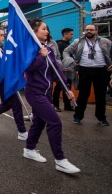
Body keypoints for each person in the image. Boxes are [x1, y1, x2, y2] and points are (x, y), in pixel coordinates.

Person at [22, 19, 80, 174]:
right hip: (34, 92)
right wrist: (41, 56)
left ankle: (29, 149)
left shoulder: (48, 48)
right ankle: (60, 160)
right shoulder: (29, 48)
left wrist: (67, 89)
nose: (47, 31)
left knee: (39, 123)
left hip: (47, 93)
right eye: (43, 29)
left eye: (46, 29)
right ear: (34, 32)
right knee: (55, 122)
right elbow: (30, 67)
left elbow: (56, 71)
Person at [63, 24, 112, 126]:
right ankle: (77, 116)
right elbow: (66, 51)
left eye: (91, 30)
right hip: (85, 70)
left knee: (101, 96)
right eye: (87, 29)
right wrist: (71, 61)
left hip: (101, 70)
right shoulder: (78, 41)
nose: (88, 31)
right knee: (83, 95)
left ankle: (101, 118)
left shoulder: (105, 42)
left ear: (96, 31)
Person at [52, 28, 75, 112]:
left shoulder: (68, 43)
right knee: (59, 87)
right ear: (65, 34)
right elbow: (59, 57)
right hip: (62, 69)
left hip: (68, 69)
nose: (72, 36)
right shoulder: (60, 44)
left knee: (67, 87)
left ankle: (67, 105)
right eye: (71, 34)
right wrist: (61, 67)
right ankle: (55, 105)